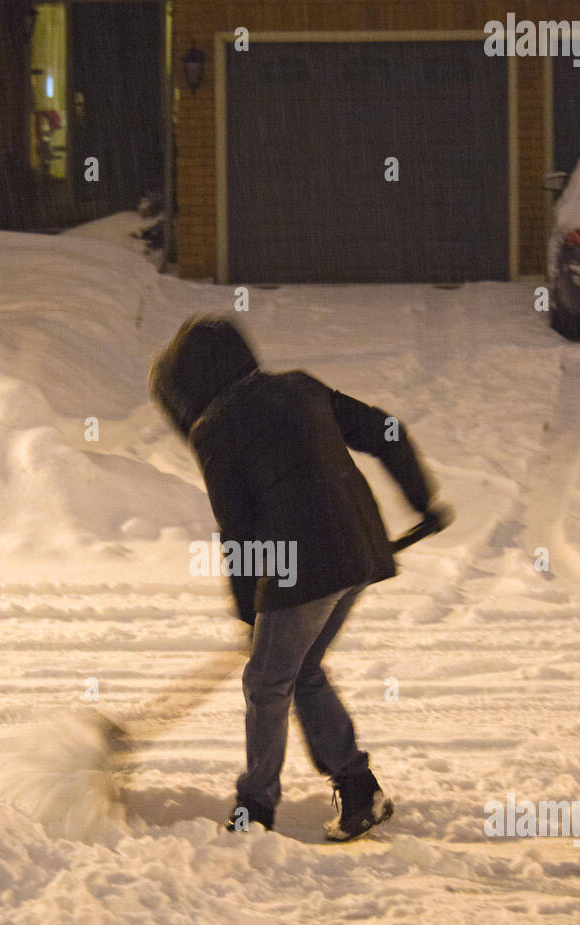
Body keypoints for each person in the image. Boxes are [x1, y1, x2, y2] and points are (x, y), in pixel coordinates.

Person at [148, 315, 451, 841]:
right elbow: (387, 431)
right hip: (359, 552)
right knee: (303, 669)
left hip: (305, 566)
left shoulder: (214, 427)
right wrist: (421, 498)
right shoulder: (300, 387)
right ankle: (360, 790)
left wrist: (251, 614)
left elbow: (238, 531)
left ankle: (255, 810)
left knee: (267, 684)